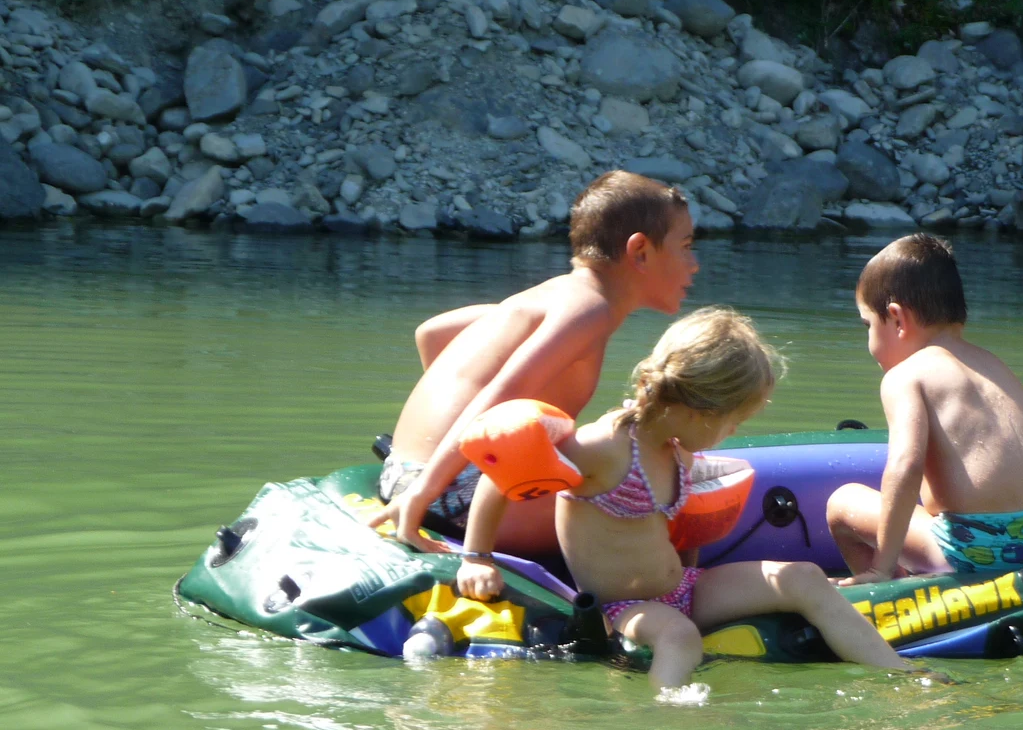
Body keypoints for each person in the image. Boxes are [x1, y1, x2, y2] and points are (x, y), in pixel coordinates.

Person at [453, 307, 912, 692]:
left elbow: (679, 528)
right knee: (679, 637)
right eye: (732, 422)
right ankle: (667, 717)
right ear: (697, 410)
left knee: (804, 576)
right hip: (625, 607)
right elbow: (500, 477)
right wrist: (476, 557)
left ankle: (902, 675)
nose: (733, 433)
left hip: (686, 586)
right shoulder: (603, 449)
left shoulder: (676, 450)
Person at [367, 170, 699, 554]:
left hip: (400, 471)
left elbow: (432, 333)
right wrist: (427, 490)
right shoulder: (589, 309)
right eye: (686, 246)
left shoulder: (548, 298)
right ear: (640, 251)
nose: (694, 264)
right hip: (450, 497)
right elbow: (501, 392)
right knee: (646, 476)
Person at [825, 234, 1023, 585]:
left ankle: (884, 585)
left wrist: (881, 565)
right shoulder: (992, 364)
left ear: (897, 319)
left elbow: (906, 466)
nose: (869, 340)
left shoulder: (906, 377)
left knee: (843, 503)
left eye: (868, 325)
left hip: (983, 549)